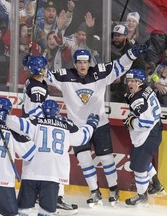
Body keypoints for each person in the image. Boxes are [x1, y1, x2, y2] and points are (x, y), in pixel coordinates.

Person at [24, 44, 147, 207]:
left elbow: (119, 65)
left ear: (90, 62)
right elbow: (43, 74)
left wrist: (131, 54)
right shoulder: (64, 76)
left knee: (106, 158)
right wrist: (30, 64)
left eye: (85, 62)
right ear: (74, 63)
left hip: (100, 123)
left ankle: (113, 188)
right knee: (84, 159)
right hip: (77, 127)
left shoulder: (101, 73)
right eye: (79, 62)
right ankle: (94, 191)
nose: (82, 65)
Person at [0, 99, 99, 216]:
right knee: (46, 211)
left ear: (42, 111)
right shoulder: (68, 125)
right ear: (57, 111)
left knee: (23, 210)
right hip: (53, 174)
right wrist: (91, 124)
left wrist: (2, 115)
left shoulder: (35, 121)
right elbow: (82, 138)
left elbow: (18, 123)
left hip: (32, 172)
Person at [22, 56, 78, 214]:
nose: (47, 69)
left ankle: (46, 197)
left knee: (45, 165)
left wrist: (27, 63)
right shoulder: (37, 88)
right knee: (54, 163)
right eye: (44, 68)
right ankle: (55, 199)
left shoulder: (32, 82)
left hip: (35, 129)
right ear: (39, 70)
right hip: (40, 130)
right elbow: (35, 110)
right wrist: (51, 120)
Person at [123, 69, 166, 206]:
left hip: (149, 133)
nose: (130, 83)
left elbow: (145, 123)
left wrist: (131, 122)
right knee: (142, 160)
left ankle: (142, 197)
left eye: (133, 81)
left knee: (139, 167)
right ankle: (157, 185)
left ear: (140, 82)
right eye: (129, 80)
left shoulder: (138, 99)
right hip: (156, 130)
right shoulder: (146, 89)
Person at [110, 24, 145, 103]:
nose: (116, 38)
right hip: (109, 83)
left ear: (125, 36)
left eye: (119, 35)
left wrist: (122, 79)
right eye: (114, 35)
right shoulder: (108, 47)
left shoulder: (133, 50)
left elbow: (141, 70)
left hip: (126, 86)